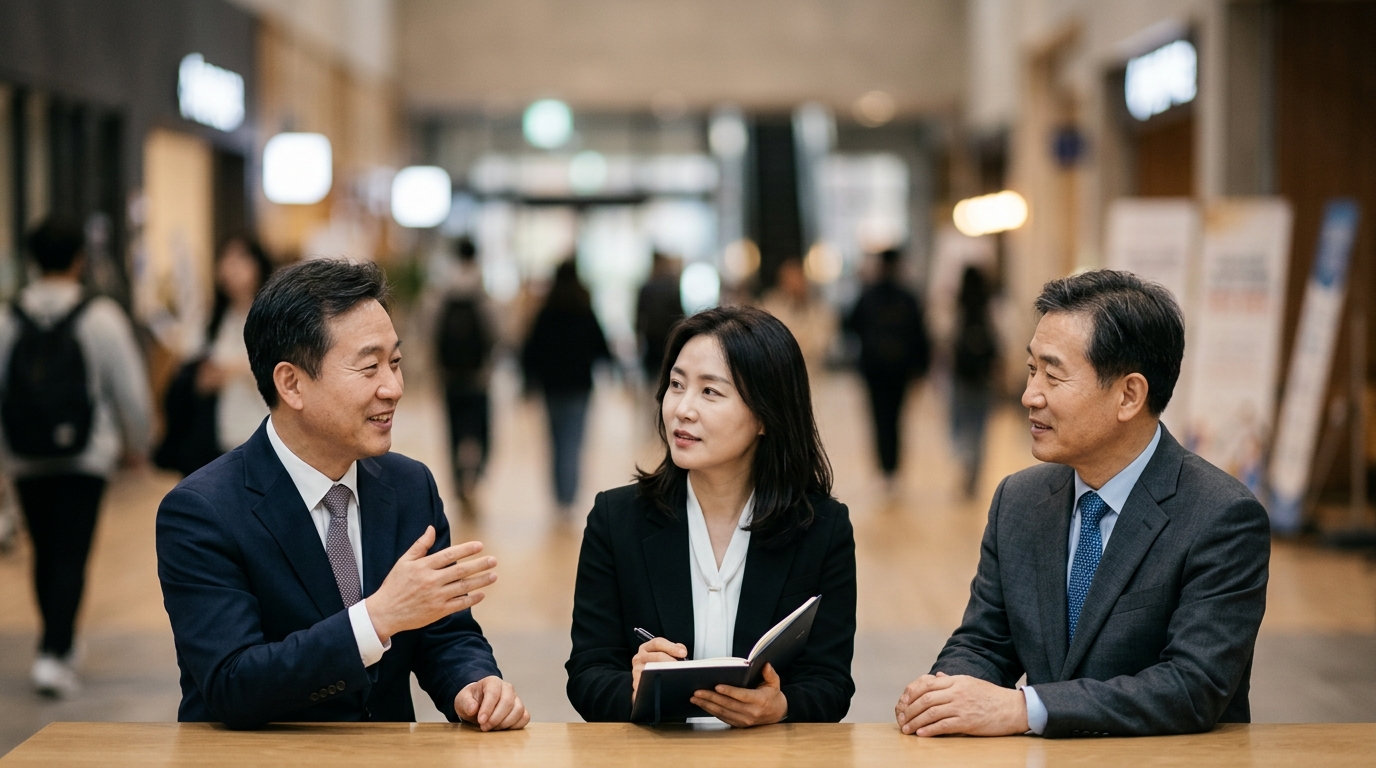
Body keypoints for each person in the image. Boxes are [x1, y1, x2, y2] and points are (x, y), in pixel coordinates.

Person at [156, 259, 529, 730]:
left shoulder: (409, 486)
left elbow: (445, 634)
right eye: (369, 367)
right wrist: (375, 619)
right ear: (291, 383)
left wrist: (473, 685)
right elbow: (233, 683)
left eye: (395, 362)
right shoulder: (202, 510)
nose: (393, 388)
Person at [896, 270, 1269, 738]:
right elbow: (986, 641)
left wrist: (1024, 708)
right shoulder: (1020, 499)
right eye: (1032, 370)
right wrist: (944, 694)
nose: (1029, 395)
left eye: (1053, 375)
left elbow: (1192, 688)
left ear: (1129, 395)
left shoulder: (1221, 516)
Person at [566, 305, 856, 726]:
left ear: (765, 415)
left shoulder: (821, 527)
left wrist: (782, 707)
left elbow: (830, 682)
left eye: (710, 392)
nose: (682, 409)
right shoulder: (616, 520)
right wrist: (632, 687)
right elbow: (587, 674)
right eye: (676, 385)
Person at [0, 217, 152, 697]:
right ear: (79, 260)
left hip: (24, 456)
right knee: (72, 553)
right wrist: (140, 444)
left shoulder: (6, 318)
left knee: (45, 551)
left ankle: (57, 644)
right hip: (86, 457)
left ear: (31, 261)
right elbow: (130, 391)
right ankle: (54, 651)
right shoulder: (99, 315)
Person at [155, 236, 273, 476]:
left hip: (262, 433)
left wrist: (232, 370)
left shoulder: (272, 318)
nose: (231, 267)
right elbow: (190, 365)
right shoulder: (214, 320)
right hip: (218, 436)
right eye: (226, 259)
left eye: (241, 258)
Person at [521, 259, 611, 513]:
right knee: (573, 442)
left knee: (554, 442)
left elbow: (531, 349)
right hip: (580, 386)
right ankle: (568, 497)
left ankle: (559, 495)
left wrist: (528, 382)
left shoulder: (547, 310)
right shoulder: (584, 308)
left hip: (551, 387)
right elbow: (601, 345)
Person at [846, 248, 930, 486]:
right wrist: (921, 368)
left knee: (879, 419)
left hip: (875, 370)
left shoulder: (869, 295)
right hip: (899, 371)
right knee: (896, 418)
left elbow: (849, 324)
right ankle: (892, 468)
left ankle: (886, 468)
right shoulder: (907, 297)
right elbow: (920, 335)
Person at [434, 237, 494, 518]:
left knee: (455, 431)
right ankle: (475, 477)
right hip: (479, 378)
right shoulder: (481, 289)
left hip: (449, 377)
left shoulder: (443, 288)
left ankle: (459, 483)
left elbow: (429, 327)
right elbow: (498, 330)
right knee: (481, 431)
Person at [950, 265, 999, 498]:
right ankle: (974, 476)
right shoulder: (991, 307)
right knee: (979, 428)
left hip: (961, 376)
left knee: (959, 423)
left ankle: (963, 464)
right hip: (983, 377)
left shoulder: (958, 307)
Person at [762, 258, 837, 371]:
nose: (795, 284)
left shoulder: (819, 309)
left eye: (798, 278)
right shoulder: (771, 307)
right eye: (790, 279)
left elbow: (824, 342)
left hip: (816, 371)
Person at [635, 252, 684, 383]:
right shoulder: (671, 287)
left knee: (652, 376)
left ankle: (654, 401)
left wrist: (638, 336)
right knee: (668, 373)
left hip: (652, 337)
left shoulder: (646, 287)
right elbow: (679, 314)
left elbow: (639, 316)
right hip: (668, 336)